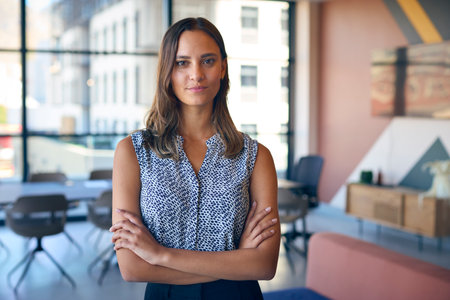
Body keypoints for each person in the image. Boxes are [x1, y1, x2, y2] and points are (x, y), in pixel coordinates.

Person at [110, 17, 279, 299]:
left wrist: (159, 255)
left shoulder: (256, 156)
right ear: (167, 70)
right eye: (182, 63)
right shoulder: (133, 152)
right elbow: (132, 268)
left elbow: (264, 265)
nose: (196, 74)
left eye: (208, 61)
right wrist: (238, 260)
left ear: (223, 67)